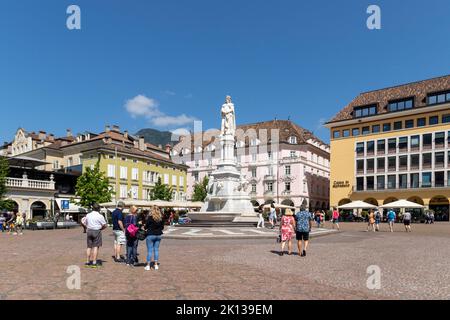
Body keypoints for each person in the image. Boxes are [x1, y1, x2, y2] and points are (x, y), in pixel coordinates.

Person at [82, 203, 107, 268]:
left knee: (89, 247)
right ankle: (94, 262)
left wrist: (86, 228)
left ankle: (87, 262)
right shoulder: (100, 216)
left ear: (92, 208)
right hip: (97, 231)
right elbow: (104, 225)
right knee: (96, 247)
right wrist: (101, 229)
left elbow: (84, 222)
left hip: (89, 231)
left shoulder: (88, 215)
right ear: (98, 209)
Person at [145, 206, 165, 271]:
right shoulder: (161, 218)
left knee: (150, 250)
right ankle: (156, 265)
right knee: (156, 250)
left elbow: (146, 226)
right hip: (158, 235)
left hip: (150, 235)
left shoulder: (150, 218)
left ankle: (148, 266)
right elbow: (162, 227)